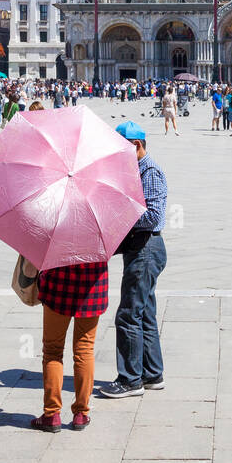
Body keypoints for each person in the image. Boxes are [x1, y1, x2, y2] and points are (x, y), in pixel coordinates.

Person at [100, 121, 168, 398]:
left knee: (128, 314)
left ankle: (130, 380)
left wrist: (119, 211)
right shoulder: (134, 171)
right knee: (145, 313)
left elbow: (152, 215)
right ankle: (152, 374)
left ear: (136, 145)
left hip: (146, 248)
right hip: (141, 248)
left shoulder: (149, 171)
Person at [31, 258, 109, 432]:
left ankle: (51, 414)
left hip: (58, 285)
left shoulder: (57, 229)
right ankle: (81, 413)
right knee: (85, 349)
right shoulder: (99, 230)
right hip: (92, 285)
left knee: (52, 351)